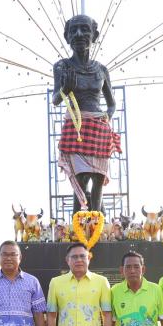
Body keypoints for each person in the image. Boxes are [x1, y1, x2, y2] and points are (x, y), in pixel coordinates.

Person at [52, 15, 121, 213]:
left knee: (98, 178)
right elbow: (56, 99)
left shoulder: (101, 70)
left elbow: (111, 104)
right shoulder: (62, 66)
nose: (79, 34)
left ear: (95, 36)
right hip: (76, 126)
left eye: (84, 29)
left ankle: (97, 220)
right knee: (81, 178)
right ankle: (78, 222)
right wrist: (65, 89)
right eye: (73, 31)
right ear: (67, 37)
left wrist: (107, 116)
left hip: (98, 127)